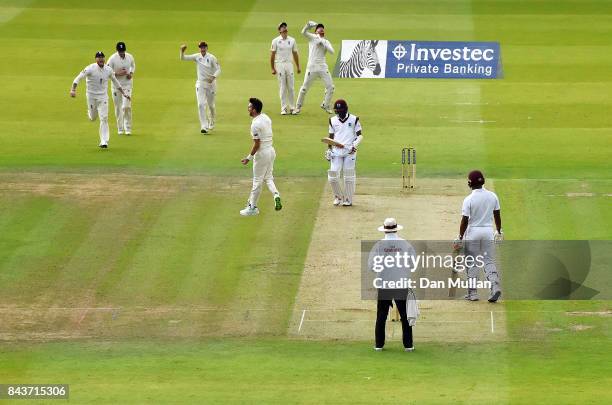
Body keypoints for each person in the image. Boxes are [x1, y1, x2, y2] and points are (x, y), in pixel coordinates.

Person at [453, 170, 503, 302]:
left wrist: (459, 237)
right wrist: (498, 231)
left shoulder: (469, 199)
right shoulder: (493, 196)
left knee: (471, 262)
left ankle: (473, 293)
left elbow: (464, 220)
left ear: (470, 183)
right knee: (489, 261)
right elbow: (497, 215)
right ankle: (494, 286)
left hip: (473, 232)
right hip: (488, 232)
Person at [368, 218, 418, 352]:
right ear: (396, 228)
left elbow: (371, 266)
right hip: (401, 283)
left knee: (381, 315)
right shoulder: (405, 244)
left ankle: (379, 345)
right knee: (405, 314)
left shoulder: (378, 245)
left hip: (384, 283)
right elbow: (413, 264)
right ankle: (408, 346)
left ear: (384, 229)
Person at [70, 51, 130, 148]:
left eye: (102, 57)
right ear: (96, 59)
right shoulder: (90, 68)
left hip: (103, 97)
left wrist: (124, 94)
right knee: (93, 118)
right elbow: (78, 78)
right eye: (99, 57)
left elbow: (115, 82)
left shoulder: (108, 70)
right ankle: (90, 113)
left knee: (104, 118)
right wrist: (73, 89)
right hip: (91, 96)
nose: (101, 59)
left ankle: (104, 141)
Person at [239, 98, 282, 216]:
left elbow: (257, 144)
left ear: (254, 110)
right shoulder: (266, 117)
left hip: (262, 154)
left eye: (249, 107)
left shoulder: (255, 125)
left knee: (257, 181)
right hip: (271, 151)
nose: (248, 109)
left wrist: (248, 157)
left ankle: (252, 207)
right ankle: (276, 195)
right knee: (268, 177)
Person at [325, 99, 362, 206]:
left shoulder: (354, 119)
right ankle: (338, 196)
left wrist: (354, 145)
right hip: (336, 152)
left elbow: (360, 135)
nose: (339, 112)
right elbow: (331, 137)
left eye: (341, 110)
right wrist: (329, 149)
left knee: (349, 175)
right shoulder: (332, 120)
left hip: (350, 152)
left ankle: (348, 199)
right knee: (332, 175)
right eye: (337, 110)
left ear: (345, 109)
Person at [180, 41, 221, 134]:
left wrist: (213, 77)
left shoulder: (211, 58)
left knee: (211, 105)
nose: (202, 49)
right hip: (200, 83)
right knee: (201, 104)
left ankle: (212, 120)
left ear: (207, 48)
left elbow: (219, 69)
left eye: (204, 47)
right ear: (199, 48)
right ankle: (204, 126)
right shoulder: (197, 56)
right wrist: (182, 51)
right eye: (201, 47)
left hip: (211, 84)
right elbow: (183, 58)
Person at [294, 21, 335, 114]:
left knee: (331, 87)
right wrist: (308, 25)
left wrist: (323, 42)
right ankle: (298, 107)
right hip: (311, 67)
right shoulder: (312, 37)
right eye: (319, 28)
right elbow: (303, 32)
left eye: (322, 28)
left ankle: (326, 104)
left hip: (323, 68)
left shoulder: (326, 41)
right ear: (316, 31)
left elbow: (332, 51)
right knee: (304, 88)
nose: (321, 29)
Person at [270, 22, 301, 115]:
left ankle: (292, 108)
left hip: (289, 64)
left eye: (285, 27)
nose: (284, 29)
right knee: (282, 87)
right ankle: (283, 108)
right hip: (280, 64)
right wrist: (272, 68)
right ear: (279, 30)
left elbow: (295, 54)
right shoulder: (275, 41)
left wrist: (298, 66)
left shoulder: (292, 40)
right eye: (282, 28)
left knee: (291, 87)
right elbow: (272, 55)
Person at [107, 42, 136, 135]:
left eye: (123, 51)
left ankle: (128, 128)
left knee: (126, 106)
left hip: (127, 85)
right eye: (120, 51)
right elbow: (107, 72)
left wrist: (130, 74)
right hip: (116, 85)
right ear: (117, 51)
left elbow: (133, 65)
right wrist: (117, 73)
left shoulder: (130, 57)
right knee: (118, 107)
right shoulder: (112, 59)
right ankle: (120, 128)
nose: (121, 53)